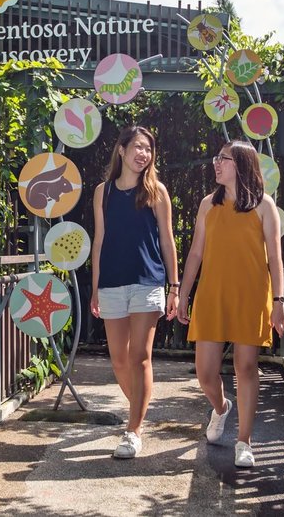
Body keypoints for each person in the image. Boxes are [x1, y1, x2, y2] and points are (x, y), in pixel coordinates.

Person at [176, 140, 284, 468]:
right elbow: (196, 253)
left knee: (246, 367)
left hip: (252, 295)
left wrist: (278, 302)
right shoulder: (207, 204)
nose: (216, 163)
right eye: (216, 158)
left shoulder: (264, 205)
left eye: (222, 159)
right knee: (205, 373)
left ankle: (244, 441)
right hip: (212, 294)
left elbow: (275, 258)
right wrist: (183, 294)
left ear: (240, 164)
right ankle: (221, 408)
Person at [90, 125, 180, 459]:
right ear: (122, 150)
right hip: (111, 282)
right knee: (118, 360)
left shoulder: (156, 191)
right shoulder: (103, 192)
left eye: (149, 149)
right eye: (138, 147)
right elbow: (99, 241)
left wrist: (174, 287)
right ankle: (138, 410)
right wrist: (96, 287)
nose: (144, 154)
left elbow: (167, 241)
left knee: (140, 357)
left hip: (147, 281)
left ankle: (133, 430)